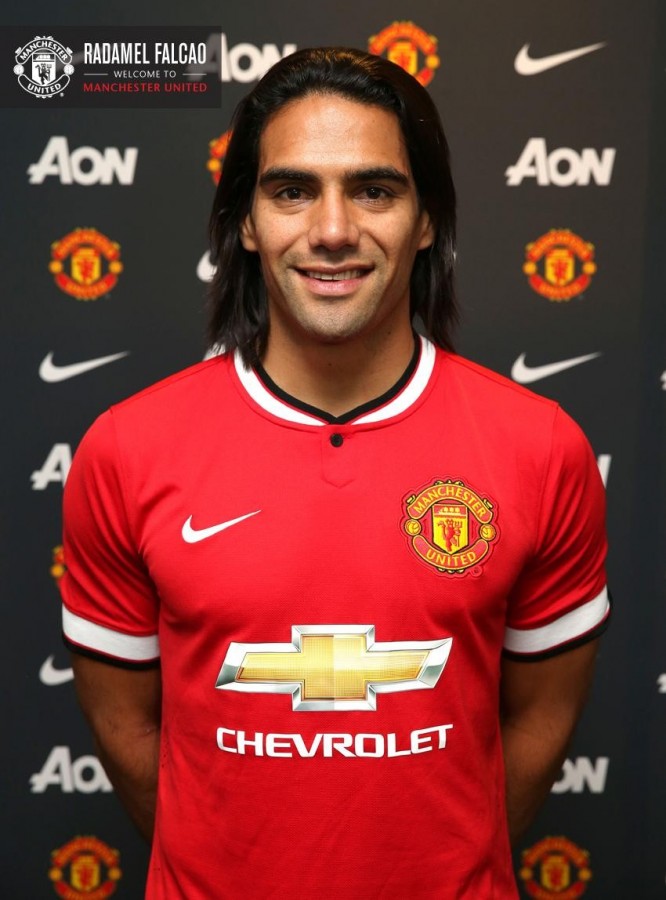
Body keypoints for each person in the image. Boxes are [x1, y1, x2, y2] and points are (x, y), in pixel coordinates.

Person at [61, 47, 609, 899]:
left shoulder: (541, 447)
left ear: (427, 220)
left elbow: (542, 717)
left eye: (374, 190)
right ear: (247, 222)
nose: (331, 230)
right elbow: (124, 726)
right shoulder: (127, 449)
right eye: (292, 191)